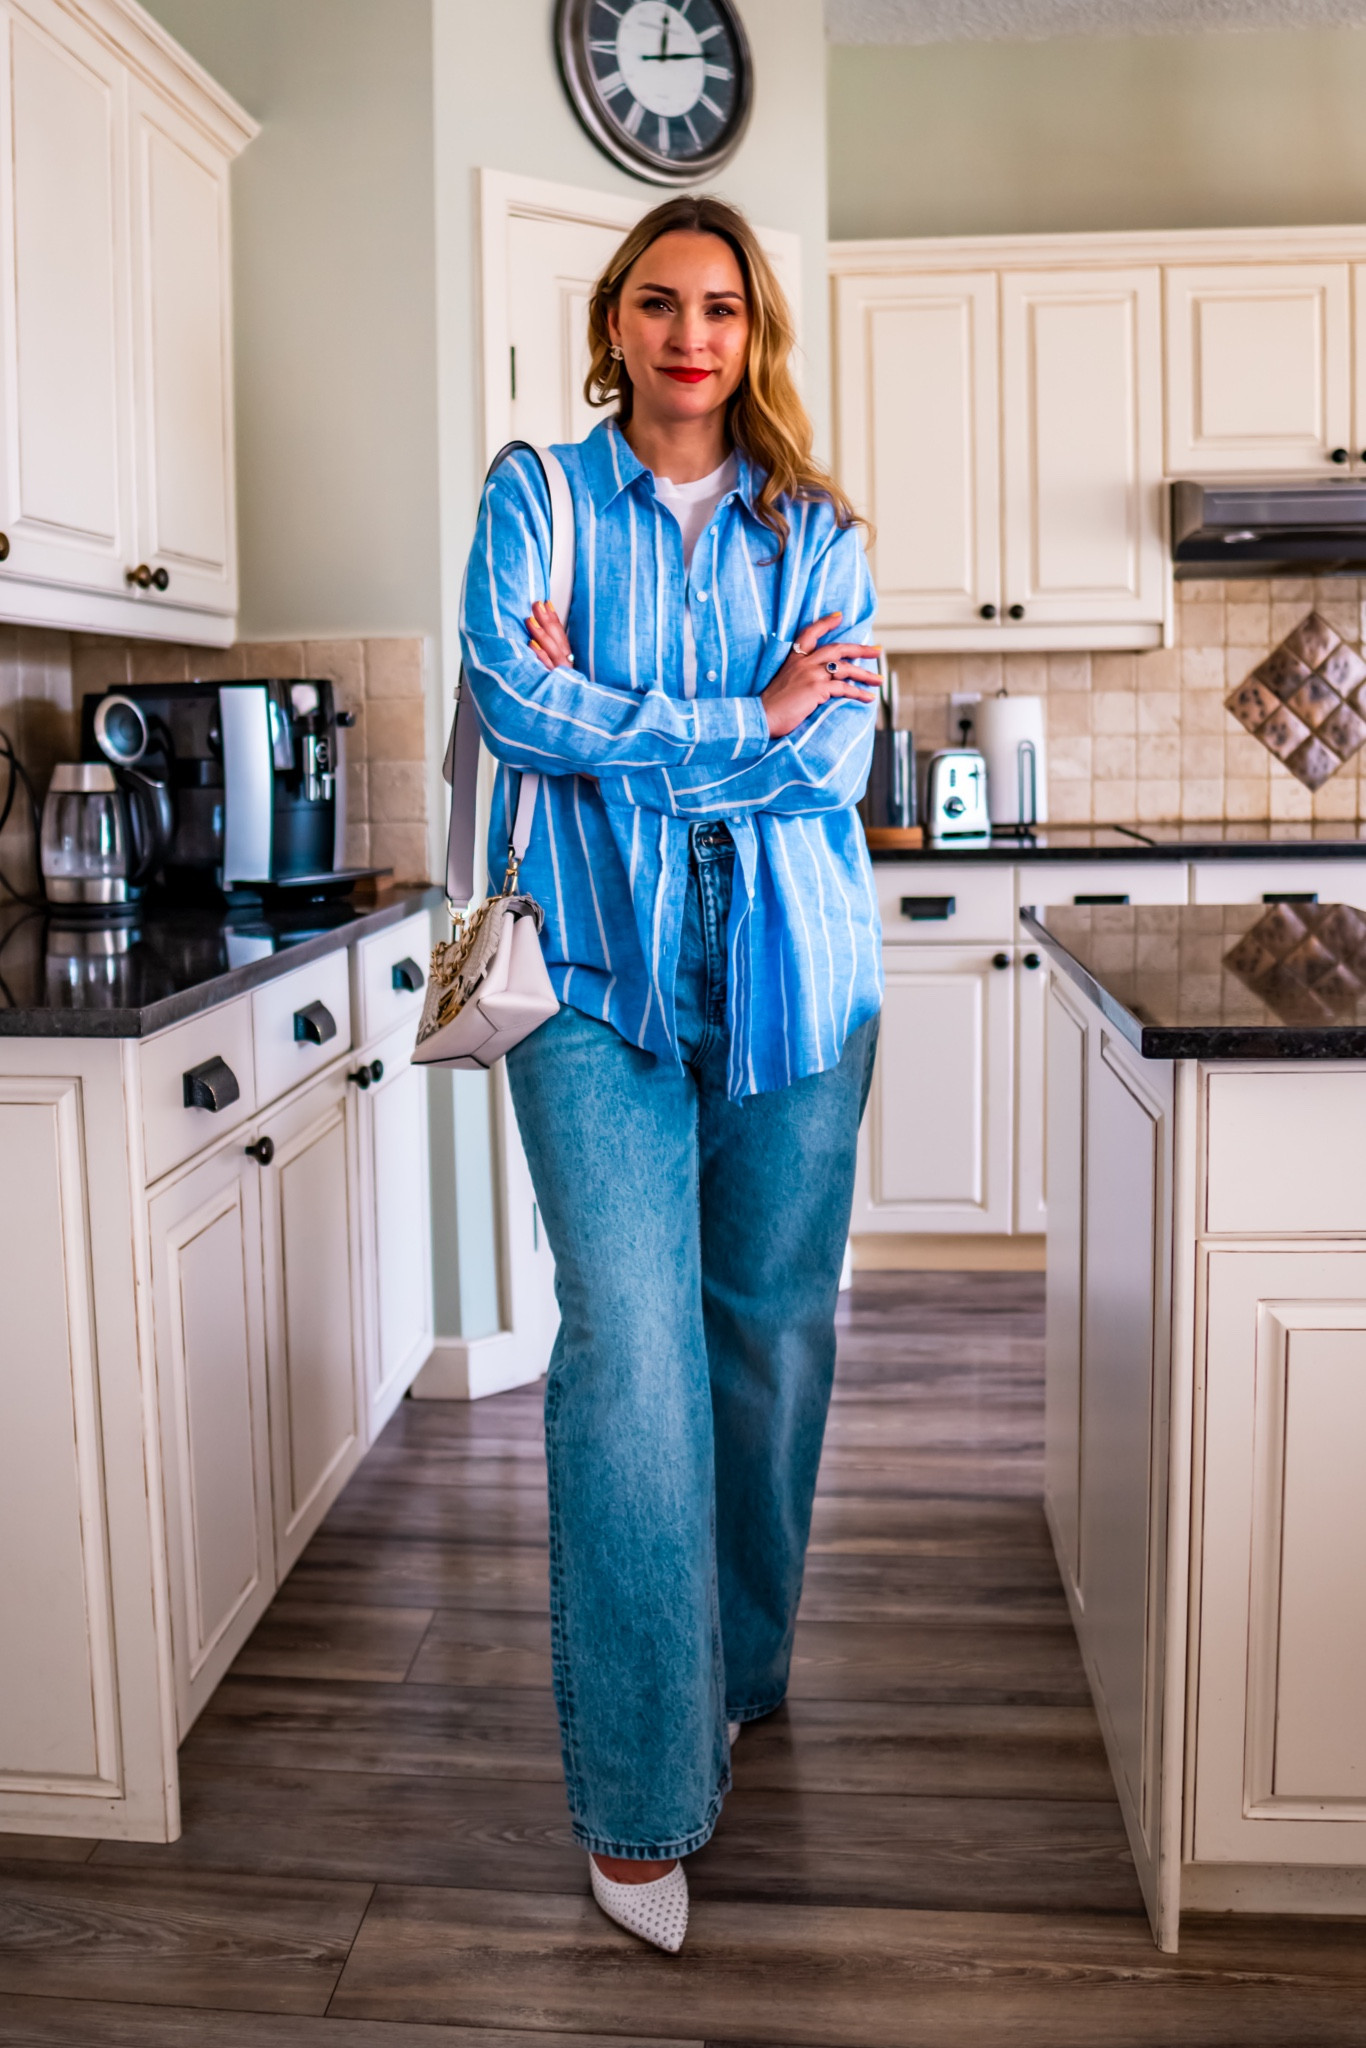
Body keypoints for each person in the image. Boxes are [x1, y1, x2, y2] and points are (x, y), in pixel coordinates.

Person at [458, 193, 882, 1954]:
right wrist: (740, 719)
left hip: (795, 980)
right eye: (656, 302)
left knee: (767, 1339)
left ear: (752, 329)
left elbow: (835, 760)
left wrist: (638, 725)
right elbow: (509, 698)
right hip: (592, 987)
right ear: (614, 323)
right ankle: (639, 1803)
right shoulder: (534, 495)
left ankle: (741, 1660)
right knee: (630, 1355)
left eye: (719, 305)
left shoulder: (819, 531)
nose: (687, 333)